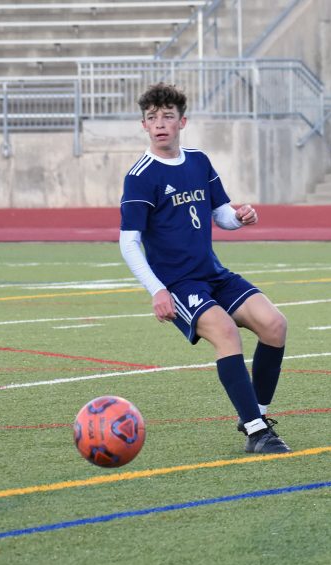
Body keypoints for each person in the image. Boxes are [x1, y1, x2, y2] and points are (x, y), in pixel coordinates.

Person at [119, 83, 291, 455]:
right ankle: (258, 434)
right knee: (227, 333)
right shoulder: (141, 175)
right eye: (152, 118)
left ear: (183, 121)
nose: (160, 123)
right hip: (178, 284)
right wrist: (157, 290)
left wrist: (240, 216)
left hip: (213, 273)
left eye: (167, 116)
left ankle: (255, 414)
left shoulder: (198, 161)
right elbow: (128, 241)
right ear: (144, 126)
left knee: (274, 325)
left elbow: (220, 214)